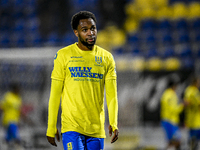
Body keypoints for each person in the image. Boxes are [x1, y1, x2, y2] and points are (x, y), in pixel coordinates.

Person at [46, 11, 119, 150]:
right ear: (76, 33)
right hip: (71, 127)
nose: (90, 33)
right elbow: (55, 95)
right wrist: (51, 126)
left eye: (93, 28)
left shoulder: (107, 58)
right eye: (84, 30)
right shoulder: (63, 56)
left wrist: (114, 122)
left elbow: (112, 95)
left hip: (96, 129)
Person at [160, 80, 184, 150]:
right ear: (173, 86)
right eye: (176, 86)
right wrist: (182, 105)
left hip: (167, 120)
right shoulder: (171, 95)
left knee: (172, 142)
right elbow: (173, 109)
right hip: (170, 121)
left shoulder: (165, 94)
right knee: (177, 141)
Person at [184, 77, 200, 150]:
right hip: (193, 119)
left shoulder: (195, 90)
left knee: (195, 138)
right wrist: (193, 103)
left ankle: (192, 146)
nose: (199, 84)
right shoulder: (190, 90)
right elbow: (186, 102)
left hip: (196, 118)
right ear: (194, 82)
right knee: (193, 137)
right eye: (198, 82)